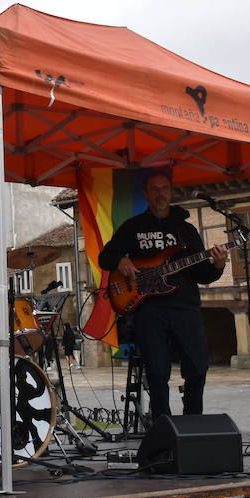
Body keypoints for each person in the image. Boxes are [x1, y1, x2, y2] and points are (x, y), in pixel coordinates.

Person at [98, 171, 227, 420]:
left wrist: (218, 265)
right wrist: (121, 260)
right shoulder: (133, 227)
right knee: (156, 372)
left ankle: (193, 422)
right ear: (146, 194)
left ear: (171, 192)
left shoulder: (186, 231)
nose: (160, 193)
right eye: (154, 189)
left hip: (186, 308)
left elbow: (202, 274)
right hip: (149, 310)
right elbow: (106, 257)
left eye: (164, 188)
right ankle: (162, 426)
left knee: (198, 368)